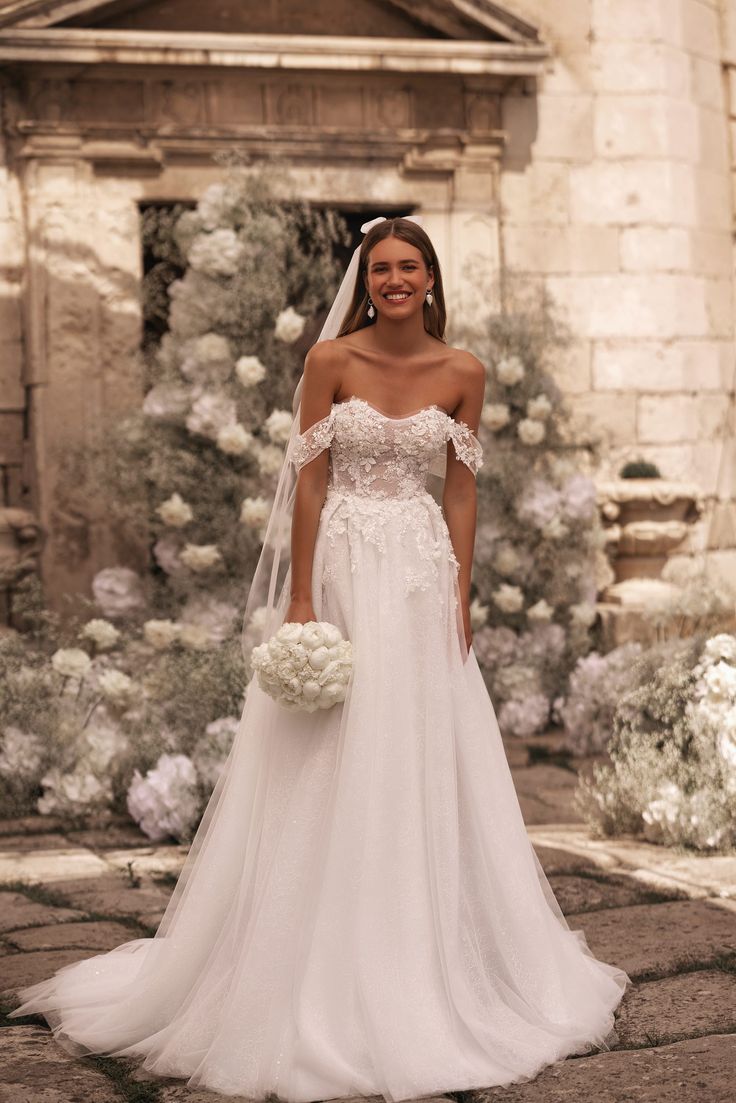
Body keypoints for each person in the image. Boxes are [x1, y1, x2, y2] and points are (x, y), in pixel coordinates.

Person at [9, 216, 629, 1102]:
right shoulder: (329, 362)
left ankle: (423, 947)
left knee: (416, 745)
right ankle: (306, 955)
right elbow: (307, 479)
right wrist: (301, 594)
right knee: (332, 743)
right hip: (343, 565)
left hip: (418, 574)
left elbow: (460, 489)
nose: (395, 280)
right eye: (381, 268)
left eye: (410, 267)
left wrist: (460, 591)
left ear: (431, 278)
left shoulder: (465, 373)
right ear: (365, 278)